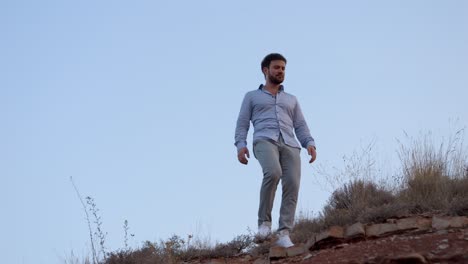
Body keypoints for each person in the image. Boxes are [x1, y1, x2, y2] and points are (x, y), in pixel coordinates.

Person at [234, 53, 317, 248]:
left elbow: (300, 125)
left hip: (290, 143)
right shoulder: (251, 96)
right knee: (273, 172)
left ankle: (284, 233)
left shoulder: (291, 99)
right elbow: (242, 123)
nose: (280, 71)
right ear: (265, 70)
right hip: (264, 140)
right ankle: (264, 224)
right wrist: (241, 145)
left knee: (293, 184)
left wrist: (309, 143)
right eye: (276, 67)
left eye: (283, 68)